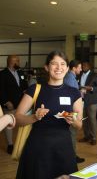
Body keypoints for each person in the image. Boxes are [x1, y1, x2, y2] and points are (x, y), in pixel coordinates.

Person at [15, 51, 83, 179]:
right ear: (46, 67)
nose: (59, 68)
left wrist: (72, 120)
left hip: (64, 148)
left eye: (63, 64)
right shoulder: (35, 89)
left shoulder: (74, 92)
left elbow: (79, 124)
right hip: (38, 147)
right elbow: (17, 118)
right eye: (54, 64)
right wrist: (34, 117)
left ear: (67, 68)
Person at [0, 54, 28, 154]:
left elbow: (24, 84)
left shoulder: (20, 72)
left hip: (21, 103)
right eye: (16, 61)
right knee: (9, 124)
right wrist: (6, 102)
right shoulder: (2, 74)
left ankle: (22, 142)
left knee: (22, 122)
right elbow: (1, 90)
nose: (18, 62)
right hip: (10, 104)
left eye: (18, 61)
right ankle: (10, 145)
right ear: (10, 62)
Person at [63, 59, 85, 163]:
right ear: (73, 68)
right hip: (72, 111)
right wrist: (81, 93)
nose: (81, 69)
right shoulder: (70, 79)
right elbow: (72, 96)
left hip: (71, 110)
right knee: (72, 133)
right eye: (79, 67)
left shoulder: (70, 77)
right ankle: (72, 157)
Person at [78, 61, 97, 145]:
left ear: (89, 66)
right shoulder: (80, 74)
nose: (83, 67)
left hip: (92, 101)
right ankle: (86, 136)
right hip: (82, 100)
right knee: (84, 119)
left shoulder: (95, 75)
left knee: (92, 119)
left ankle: (94, 137)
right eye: (82, 65)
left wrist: (91, 88)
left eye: (84, 65)